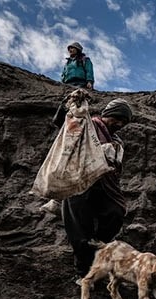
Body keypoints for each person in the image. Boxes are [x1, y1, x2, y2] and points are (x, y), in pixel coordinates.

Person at [62, 98, 133, 279]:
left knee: (116, 213)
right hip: (80, 185)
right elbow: (66, 129)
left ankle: (96, 246)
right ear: (107, 114)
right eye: (117, 118)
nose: (120, 124)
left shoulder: (116, 140)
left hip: (105, 187)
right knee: (81, 231)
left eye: (124, 122)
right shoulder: (89, 126)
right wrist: (72, 105)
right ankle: (83, 274)